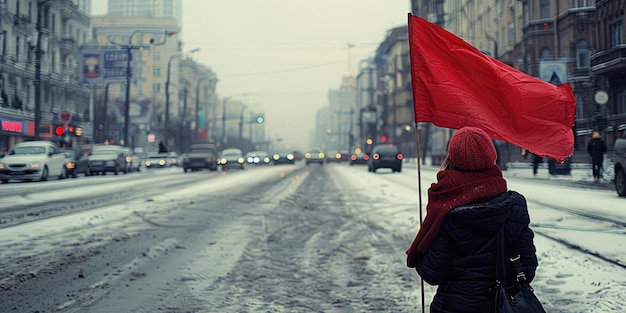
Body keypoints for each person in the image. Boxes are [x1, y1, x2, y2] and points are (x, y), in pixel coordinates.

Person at [406, 127, 538, 313]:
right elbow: (528, 268)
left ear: (452, 159)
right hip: (505, 306)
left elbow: (433, 273)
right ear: (491, 156)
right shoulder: (515, 205)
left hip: (455, 306)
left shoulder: (445, 209)